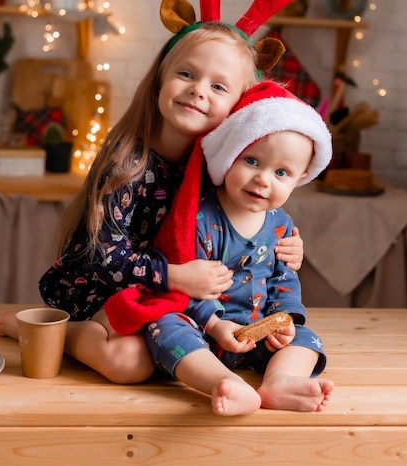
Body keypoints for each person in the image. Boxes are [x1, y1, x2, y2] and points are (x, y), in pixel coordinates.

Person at [0, 24, 304, 384]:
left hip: (179, 300)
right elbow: (103, 256)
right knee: (131, 364)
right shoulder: (127, 165)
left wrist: (287, 245)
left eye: (218, 86)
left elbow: (252, 223)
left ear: (240, 109)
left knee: (180, 353)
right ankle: (47, 329)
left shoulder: (225, 171)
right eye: (186, 74)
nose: (197, 90)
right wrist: (173, 275)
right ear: (159, 80)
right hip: (107, 284)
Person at [106, 81, 334, 415]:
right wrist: (214, 325)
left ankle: (280, 380)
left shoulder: (281, 224)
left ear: (298, 180)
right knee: (164, 328)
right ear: (230, 155)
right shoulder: (198, 217)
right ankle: (222, 383)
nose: (263, 179)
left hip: (258, 331)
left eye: (281, 172)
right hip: (203, 330)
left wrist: (283, 320)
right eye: (252, 161)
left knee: (307, 338)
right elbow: (188, 282)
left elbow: (283, 281)